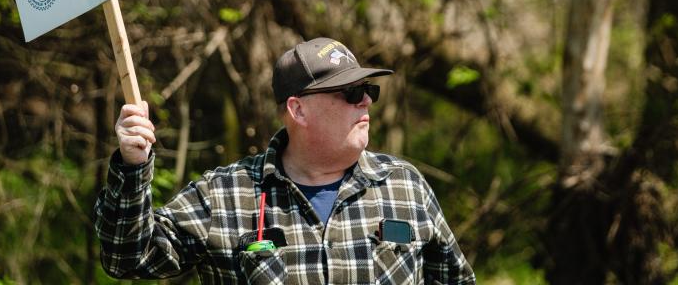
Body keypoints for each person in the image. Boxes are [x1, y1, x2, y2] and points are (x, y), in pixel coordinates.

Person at [93, 37, 477, 284]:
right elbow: (127, 257)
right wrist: (132, 166)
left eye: (369, 90)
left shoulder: (404, 187)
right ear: (299, 109)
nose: (367, 101)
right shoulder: (226, 196)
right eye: (352, 92)